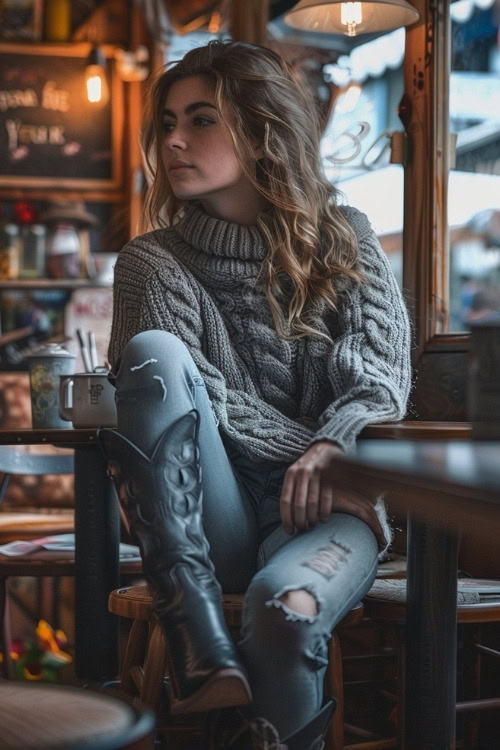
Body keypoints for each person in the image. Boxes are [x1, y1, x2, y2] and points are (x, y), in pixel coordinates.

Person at [98, 40, 412, 749]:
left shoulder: (347, 239)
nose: (173, 139)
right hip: (221, 518)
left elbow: (378, 382)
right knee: (155, 354)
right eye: (169, 121)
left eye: (202, 119)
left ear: (263, 130)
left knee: (286, 609)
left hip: (331, 512)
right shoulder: (153, 263)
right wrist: (316, 452)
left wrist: (335, 448)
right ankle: (195, 633)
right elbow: (200, 400)